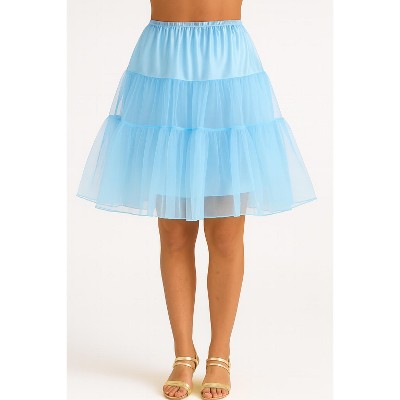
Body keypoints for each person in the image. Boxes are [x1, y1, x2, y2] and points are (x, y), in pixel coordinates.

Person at [76, 0, 317, 398]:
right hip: (163, 67)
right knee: (173, 233)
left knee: (226, 233)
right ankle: (183, 353)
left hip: (226, 68)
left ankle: (220, 353)